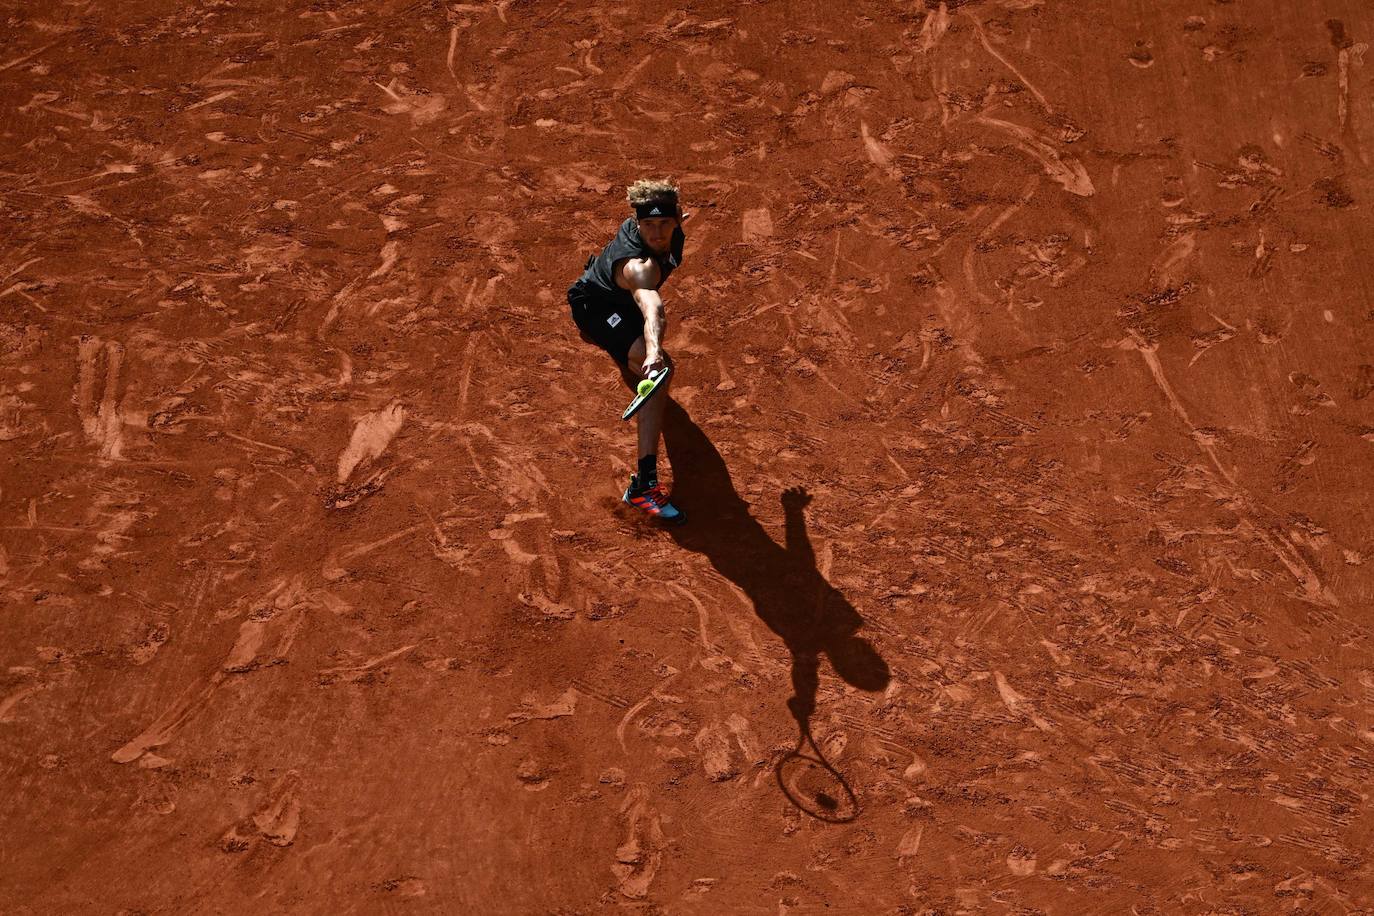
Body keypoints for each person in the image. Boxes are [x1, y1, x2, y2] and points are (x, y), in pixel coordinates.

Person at [567, 178, 687, 523]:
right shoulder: (640, 265)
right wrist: (653, 353)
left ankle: (619, 343)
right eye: (648, 226)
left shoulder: (671, 231)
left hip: (619, 296)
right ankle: (642, 488)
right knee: (662, 376)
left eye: (665, 223)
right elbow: (653, 309)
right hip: (596, 307)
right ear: (637, 225)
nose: (658, 234)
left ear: (678, 217)